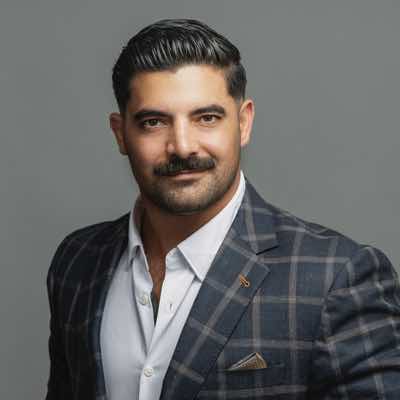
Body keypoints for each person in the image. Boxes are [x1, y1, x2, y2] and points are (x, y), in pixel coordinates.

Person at [45, 18, 400, 400]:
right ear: (121, 134)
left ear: (243, 123)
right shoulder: (78, 262)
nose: (182, 146)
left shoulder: (336, 278)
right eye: (154, 122)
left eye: (207, 118)